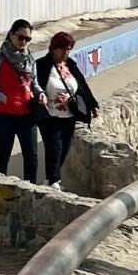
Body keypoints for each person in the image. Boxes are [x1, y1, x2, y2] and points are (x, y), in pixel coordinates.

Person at [0, 19, 42, 181]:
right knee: (3, 153)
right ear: (12, 35)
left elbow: (34, 83)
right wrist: (1, 97)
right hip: (4, 115)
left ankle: (31, 188)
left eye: (28, 39)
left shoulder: (29, 59)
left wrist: (41, 93)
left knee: (31, 155)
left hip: (27, 114)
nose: (24, 42)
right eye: (21, 37)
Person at [35, 32, 100, 189]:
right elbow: (34, 86)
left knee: (64, 148)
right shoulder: (41, 65)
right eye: (63, 49)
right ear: (54, 48)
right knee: (54, 147)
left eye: (69, 49)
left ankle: (51, 180)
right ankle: (53, 181)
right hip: (49, 115)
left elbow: (82, 85)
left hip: (69, 114)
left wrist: (92, 105)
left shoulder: (70, 65)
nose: (66, 52)